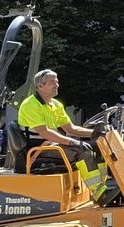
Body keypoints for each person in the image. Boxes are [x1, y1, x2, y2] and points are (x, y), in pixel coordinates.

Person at [17, 69, 112, 203]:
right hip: (37, 149)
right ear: (40, 86)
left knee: (98, 146)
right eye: (52, 82)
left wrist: (95, 132)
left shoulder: (56, 105)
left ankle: (102, 187)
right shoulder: (30, 105)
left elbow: (71, 128)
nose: (56, 85)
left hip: (51, 144)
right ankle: (99, 192)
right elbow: (45, 133)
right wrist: (73, 142)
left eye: (57, 82)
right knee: (82, 151)